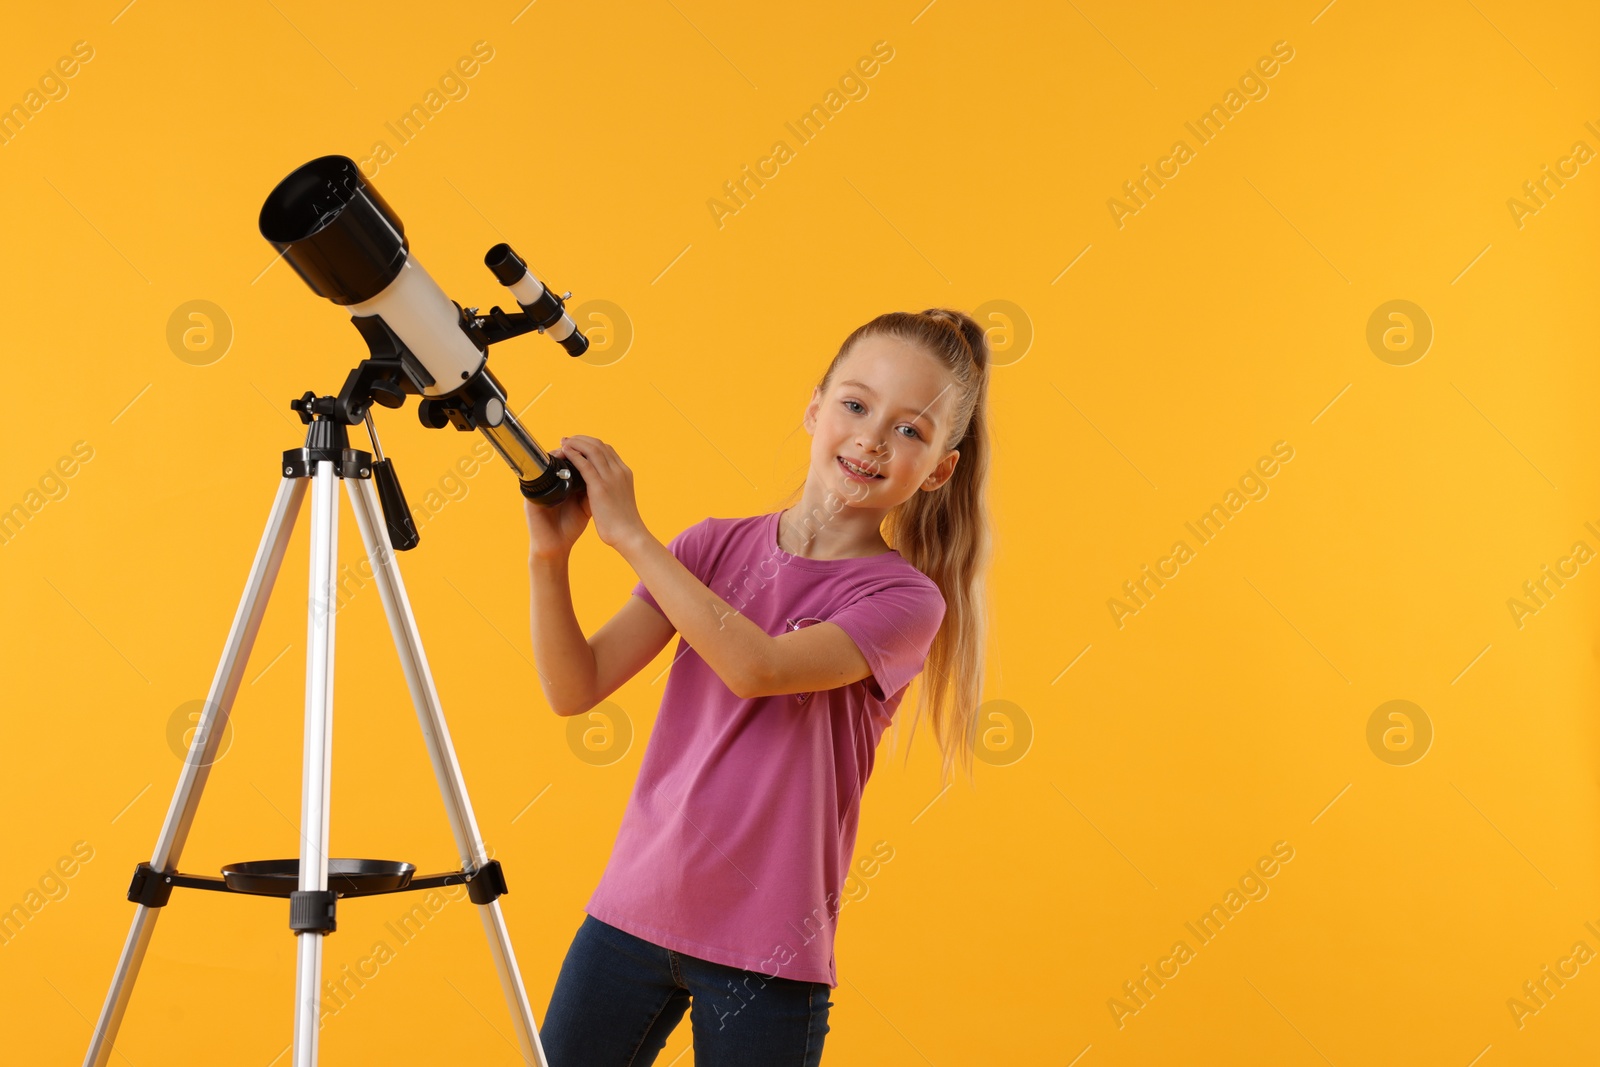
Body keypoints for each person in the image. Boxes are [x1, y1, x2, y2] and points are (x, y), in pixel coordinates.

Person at [525, 308, 994, 1065]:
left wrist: (633, 537)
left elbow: (759, 668)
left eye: (911, 430)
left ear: (940, 468)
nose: (874, 437)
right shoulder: (710, 545)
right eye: (856, 404)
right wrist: (549, 559)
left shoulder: (905, 601)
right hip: (631, 912)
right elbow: (575, 686)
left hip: (767, 944)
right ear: (815, 407)